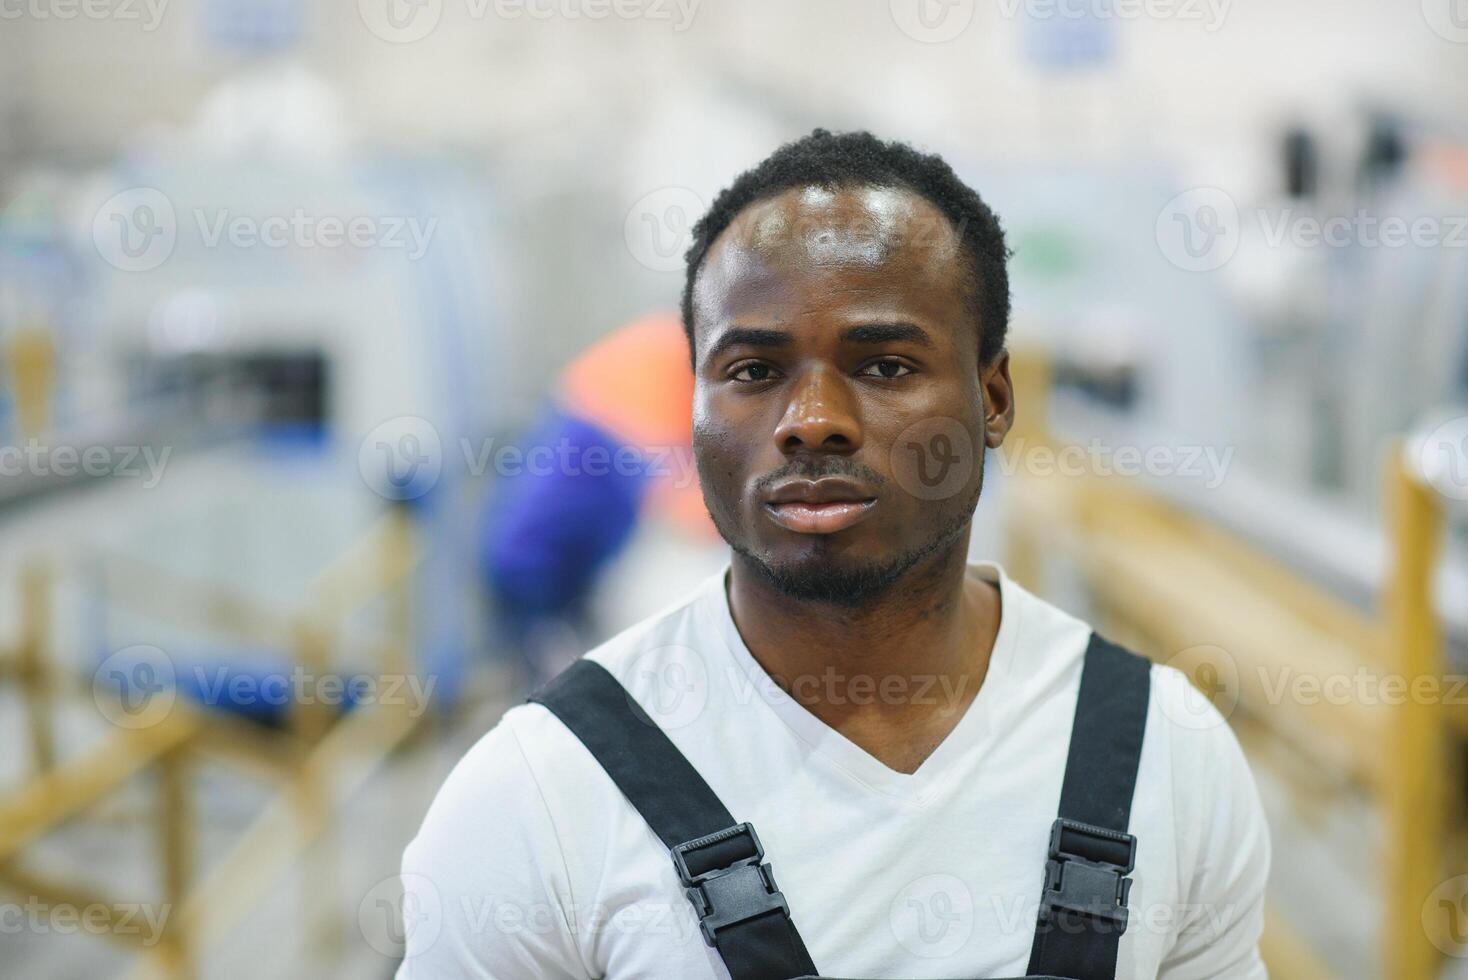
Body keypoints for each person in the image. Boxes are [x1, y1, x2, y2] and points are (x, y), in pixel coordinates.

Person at [396, 129, 1270, 979]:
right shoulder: (540, 797)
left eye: (886, 365)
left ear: (993, 398)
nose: (811, 418)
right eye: (751, 372)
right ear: (691, 404)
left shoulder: (1166, 754)